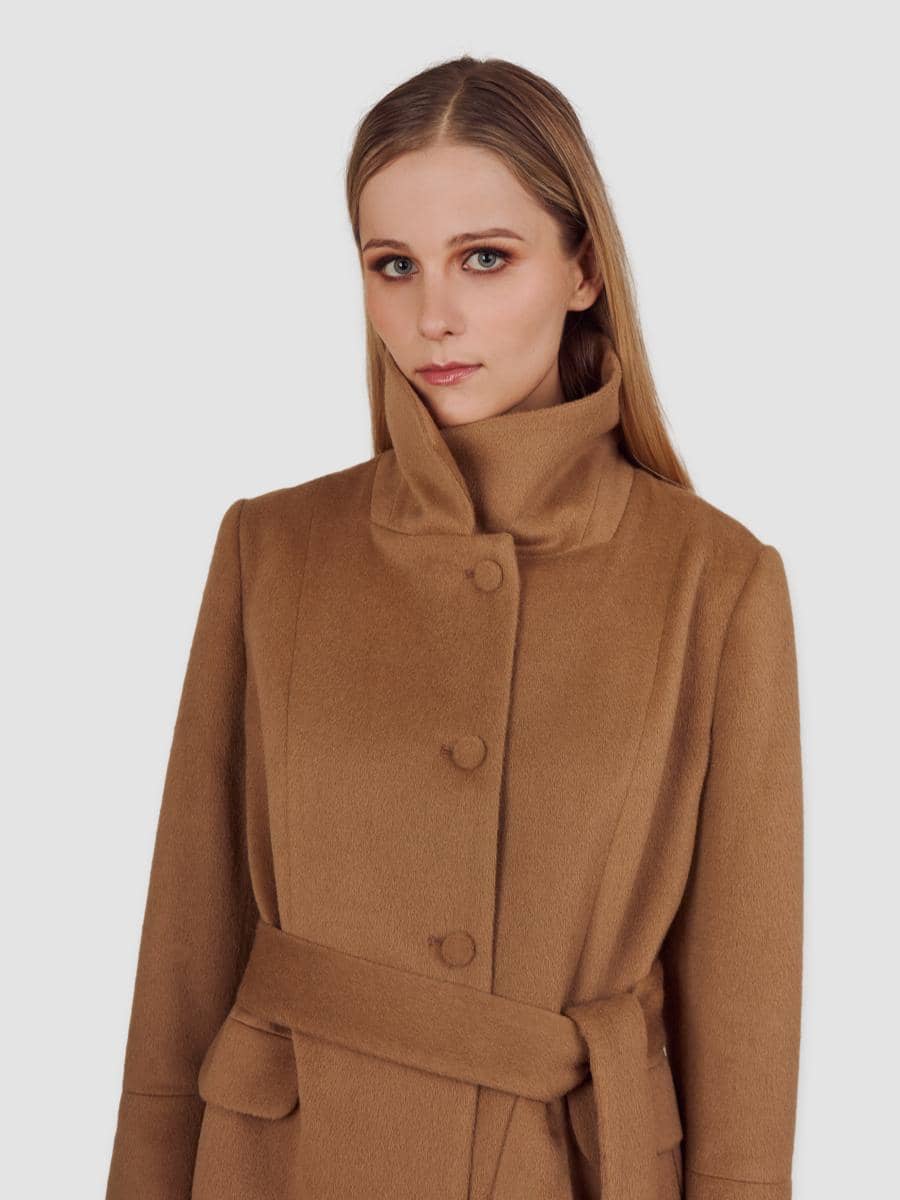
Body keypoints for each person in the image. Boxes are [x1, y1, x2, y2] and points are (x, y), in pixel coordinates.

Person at [105, 55, 803, 1200]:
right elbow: (186, 948)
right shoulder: (271, 549)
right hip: (287, 1162)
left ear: (584, 268)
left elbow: (744, 1016)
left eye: (485, 258)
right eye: (394, 265)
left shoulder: (713, 581)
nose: (433, 315)